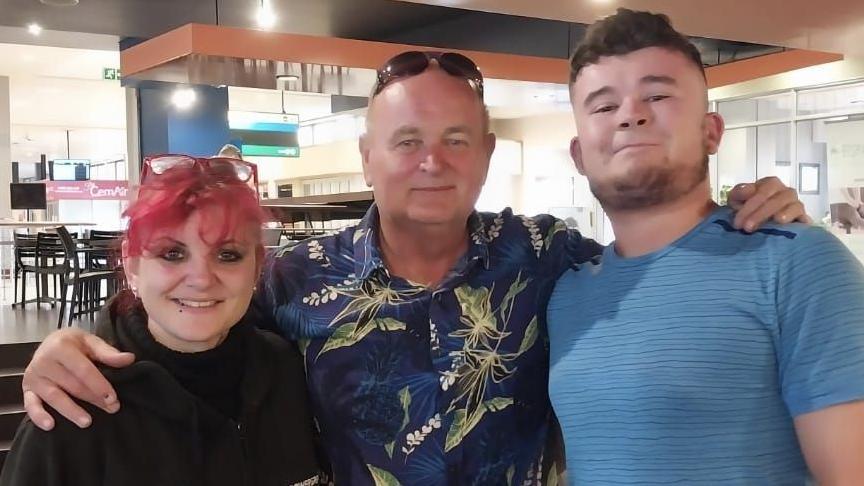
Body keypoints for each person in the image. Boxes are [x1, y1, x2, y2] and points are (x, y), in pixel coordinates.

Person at [19, 52, 807, 485]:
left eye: (457, 140)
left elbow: (652, 258)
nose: (432, 162)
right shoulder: (294, 278)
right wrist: (79, 339)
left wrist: (732, 209)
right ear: (369, 157)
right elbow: (191, 318)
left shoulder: (547, 255)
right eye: (405, 142)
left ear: (487, 154)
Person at [548, 9, 864, 484]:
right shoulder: (564, 291)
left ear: (711, 131)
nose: (632, 114)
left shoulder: (796, 261)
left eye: (656, 95)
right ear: (578, 153)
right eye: (603, 106)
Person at [0, 155, 320, 486]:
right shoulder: (73, 405)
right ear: (132, 265)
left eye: (228, 255)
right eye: (172, 253)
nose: (200, 278)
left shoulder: (291, 372)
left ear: (255, 267)